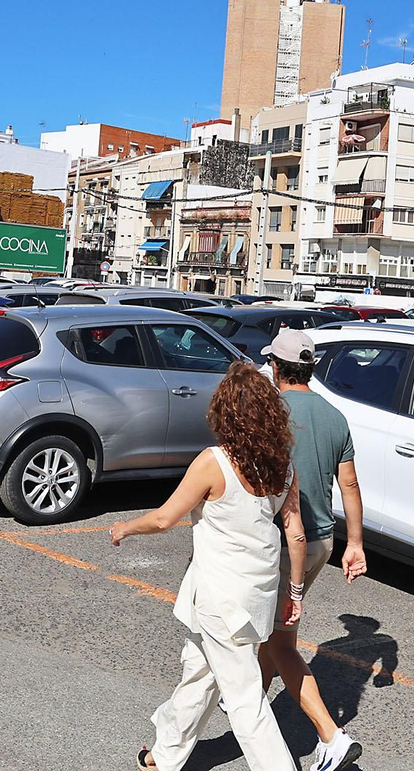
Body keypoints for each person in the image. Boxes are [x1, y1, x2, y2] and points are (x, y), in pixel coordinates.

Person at [111, 362, 308, 771]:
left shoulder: (213, 462)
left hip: (220, 597)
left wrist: (124, 528)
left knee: (244, 698)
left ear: (225, 412)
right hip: (256, 592)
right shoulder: (283, 467)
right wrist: (294, 594)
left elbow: (165, 519)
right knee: (199, 674)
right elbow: (297, 534)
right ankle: (163, 756)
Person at [257, 329, 367, 771]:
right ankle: (250, 698)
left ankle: (331, 736)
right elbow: (350, 484)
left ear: (278, 368)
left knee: (281, 640)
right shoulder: (335, 416)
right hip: (323, 541)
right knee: (274, 629)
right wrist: (355, 543)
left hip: (285, 540)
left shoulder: (273, 413)